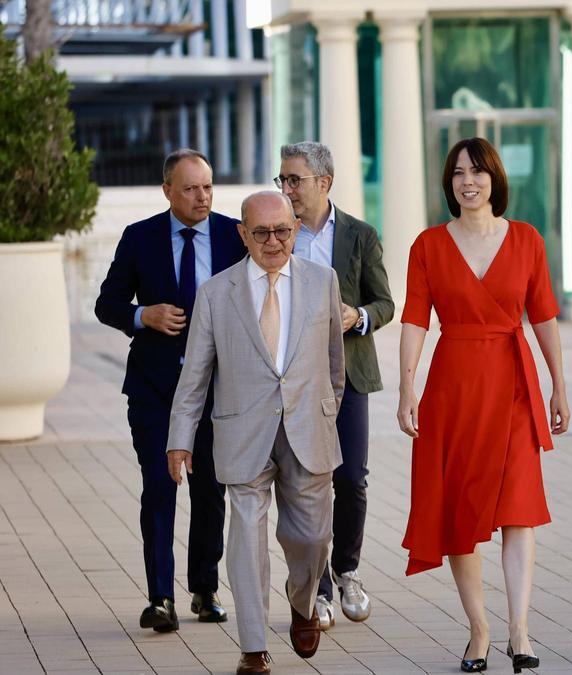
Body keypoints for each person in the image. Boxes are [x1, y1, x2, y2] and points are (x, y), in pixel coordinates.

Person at [397, 137, 569, 674]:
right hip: (454, 390)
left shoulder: (527, 240)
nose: (467, 181)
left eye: (477, 171)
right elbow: (414, 320)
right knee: (458, 512)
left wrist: (558, 384)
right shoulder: (427, 245)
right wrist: (407, 387)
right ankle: (479, 630)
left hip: (514, 384)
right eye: (457, 173)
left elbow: (543, 316)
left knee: (519, 510)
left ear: (495, 178)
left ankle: (519, 630)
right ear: (448, 184)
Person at [166, 191, 344, 675]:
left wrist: (327, 413)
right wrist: (180, 436)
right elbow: (196, 373)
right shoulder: (216, 292)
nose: (273, 241)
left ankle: (303, 600)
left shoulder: (322, 281)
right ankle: (252, 647)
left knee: (312, 538)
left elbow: (334, 363)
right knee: (245, 536)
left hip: (308, 429)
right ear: (242, 234)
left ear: (295, 230)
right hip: (242, 434)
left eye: (283, 231)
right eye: (261, 232)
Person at [94, 149, 245, 634]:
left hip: (215, 392)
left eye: (208, 186)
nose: (203, 197)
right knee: (159, 488)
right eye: (191, 189)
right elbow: (107, 303)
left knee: (210, 491)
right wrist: (144, 316)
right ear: (167, 192)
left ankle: (205, 588)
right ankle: (160, 598)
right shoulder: (140, 239)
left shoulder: (232, 235)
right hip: (155, 389)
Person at [276, 141, 394, 629]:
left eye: (294, 180)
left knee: (350, 480)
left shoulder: (360, 236)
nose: (286, 188)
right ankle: (318, 587)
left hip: (349, 375)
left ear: (323, 183)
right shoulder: (278, 234)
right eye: (282, 179)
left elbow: (386, 303)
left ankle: (348, 571)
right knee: (309, 482)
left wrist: (359, 315)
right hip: (294, 379)